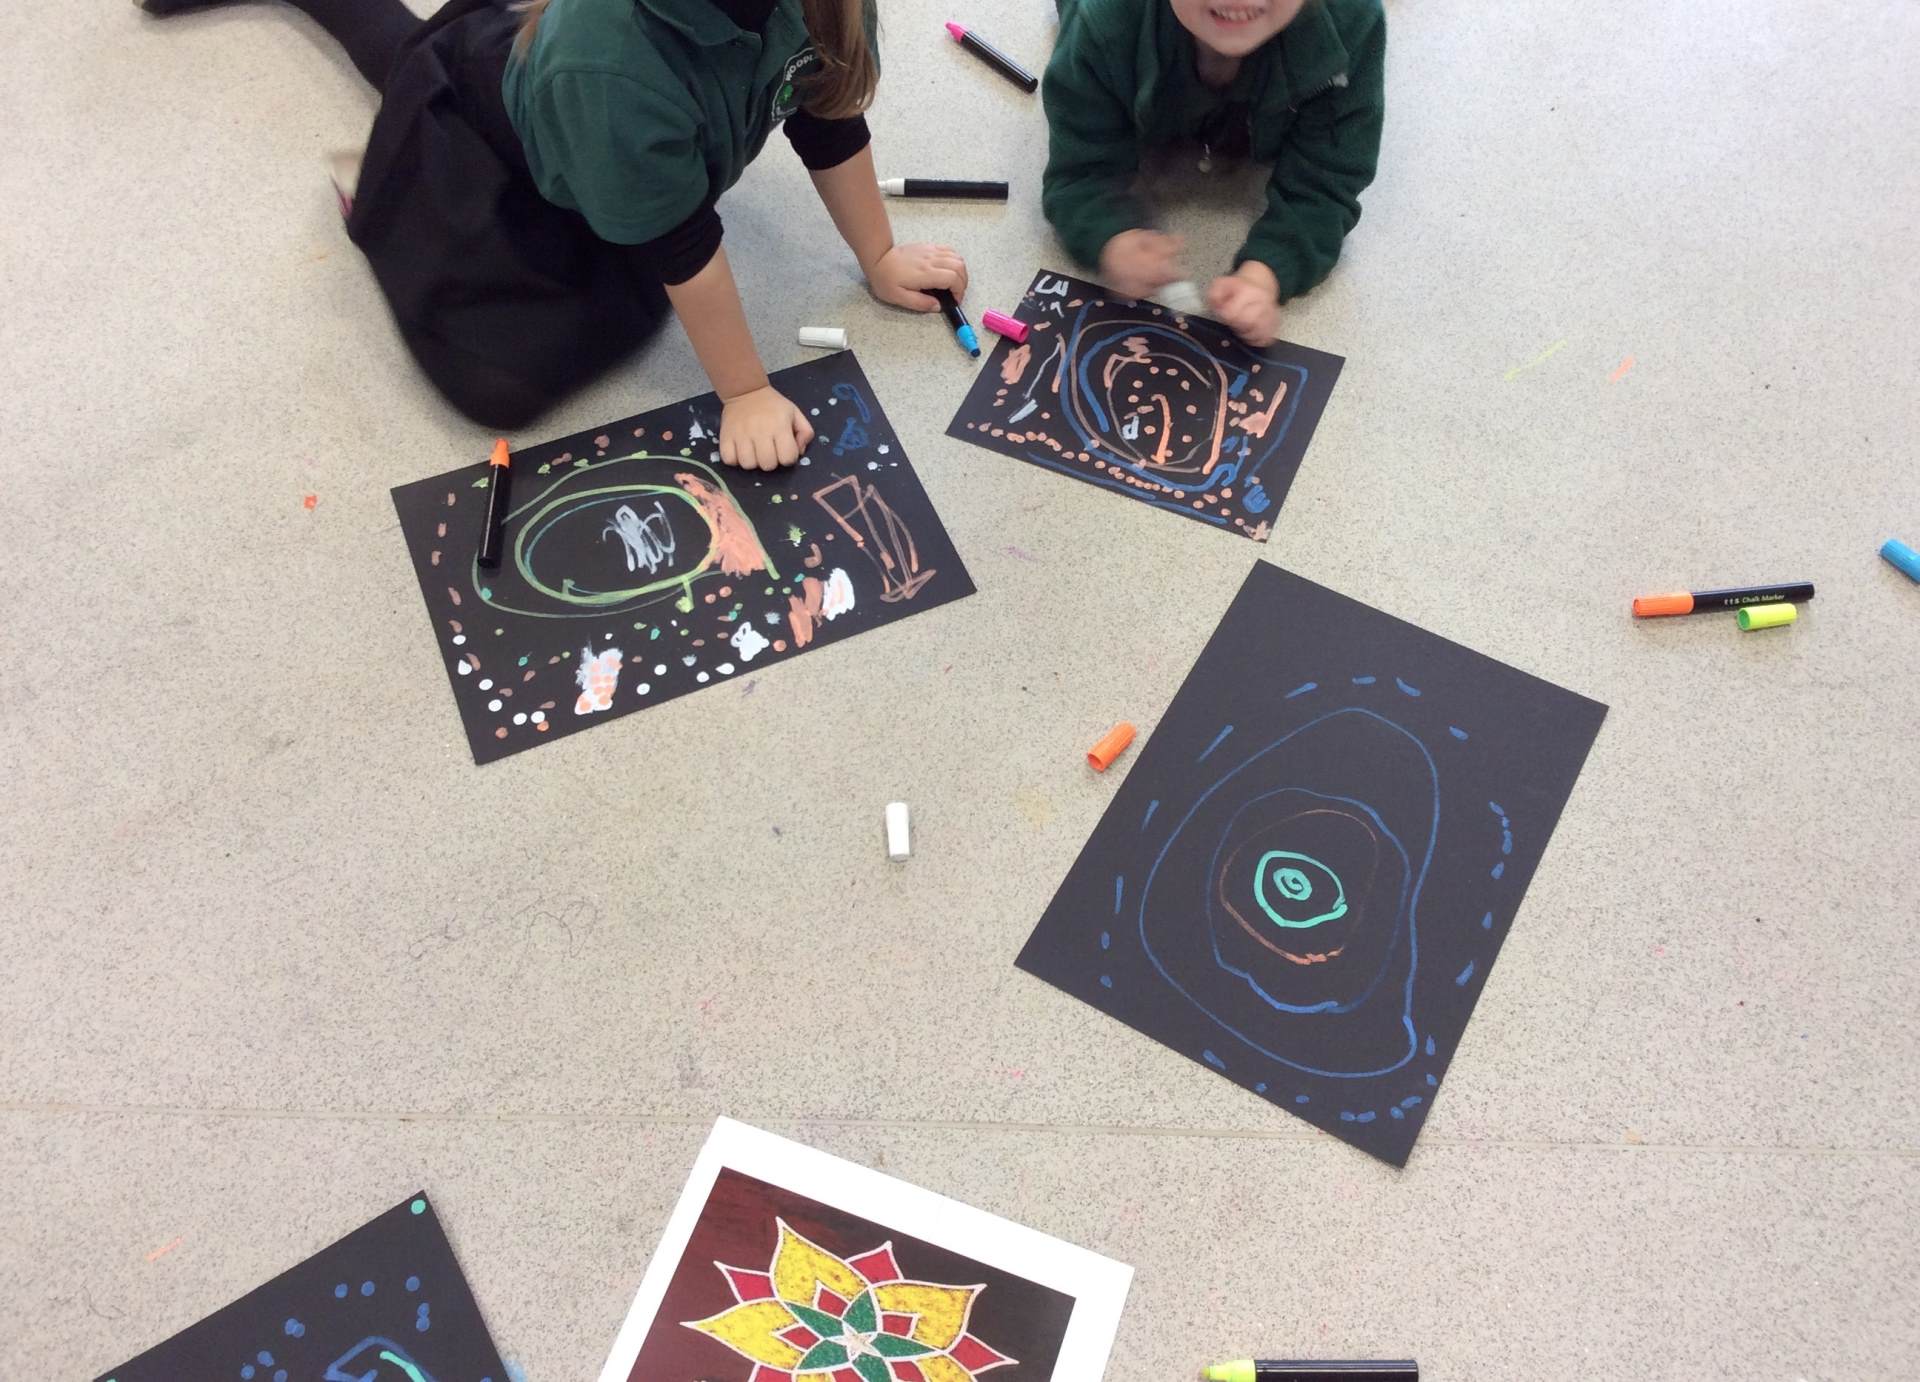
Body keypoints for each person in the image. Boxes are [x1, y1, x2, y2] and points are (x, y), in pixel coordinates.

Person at [136, 0, 969, 467]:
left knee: (634, 273)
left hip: (610, 133)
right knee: (504, 385)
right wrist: (745, 392)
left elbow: (826, 113)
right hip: (488, 137)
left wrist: (878, 255)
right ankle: (398, 180)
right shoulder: (604, 63)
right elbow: (685, 248)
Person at [1041, 0, 1383, 347]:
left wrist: (1267, 273)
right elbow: (1080, 172)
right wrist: (1109, 237)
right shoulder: (1103, 23)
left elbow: (1326, 183)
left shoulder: (1350, 23)